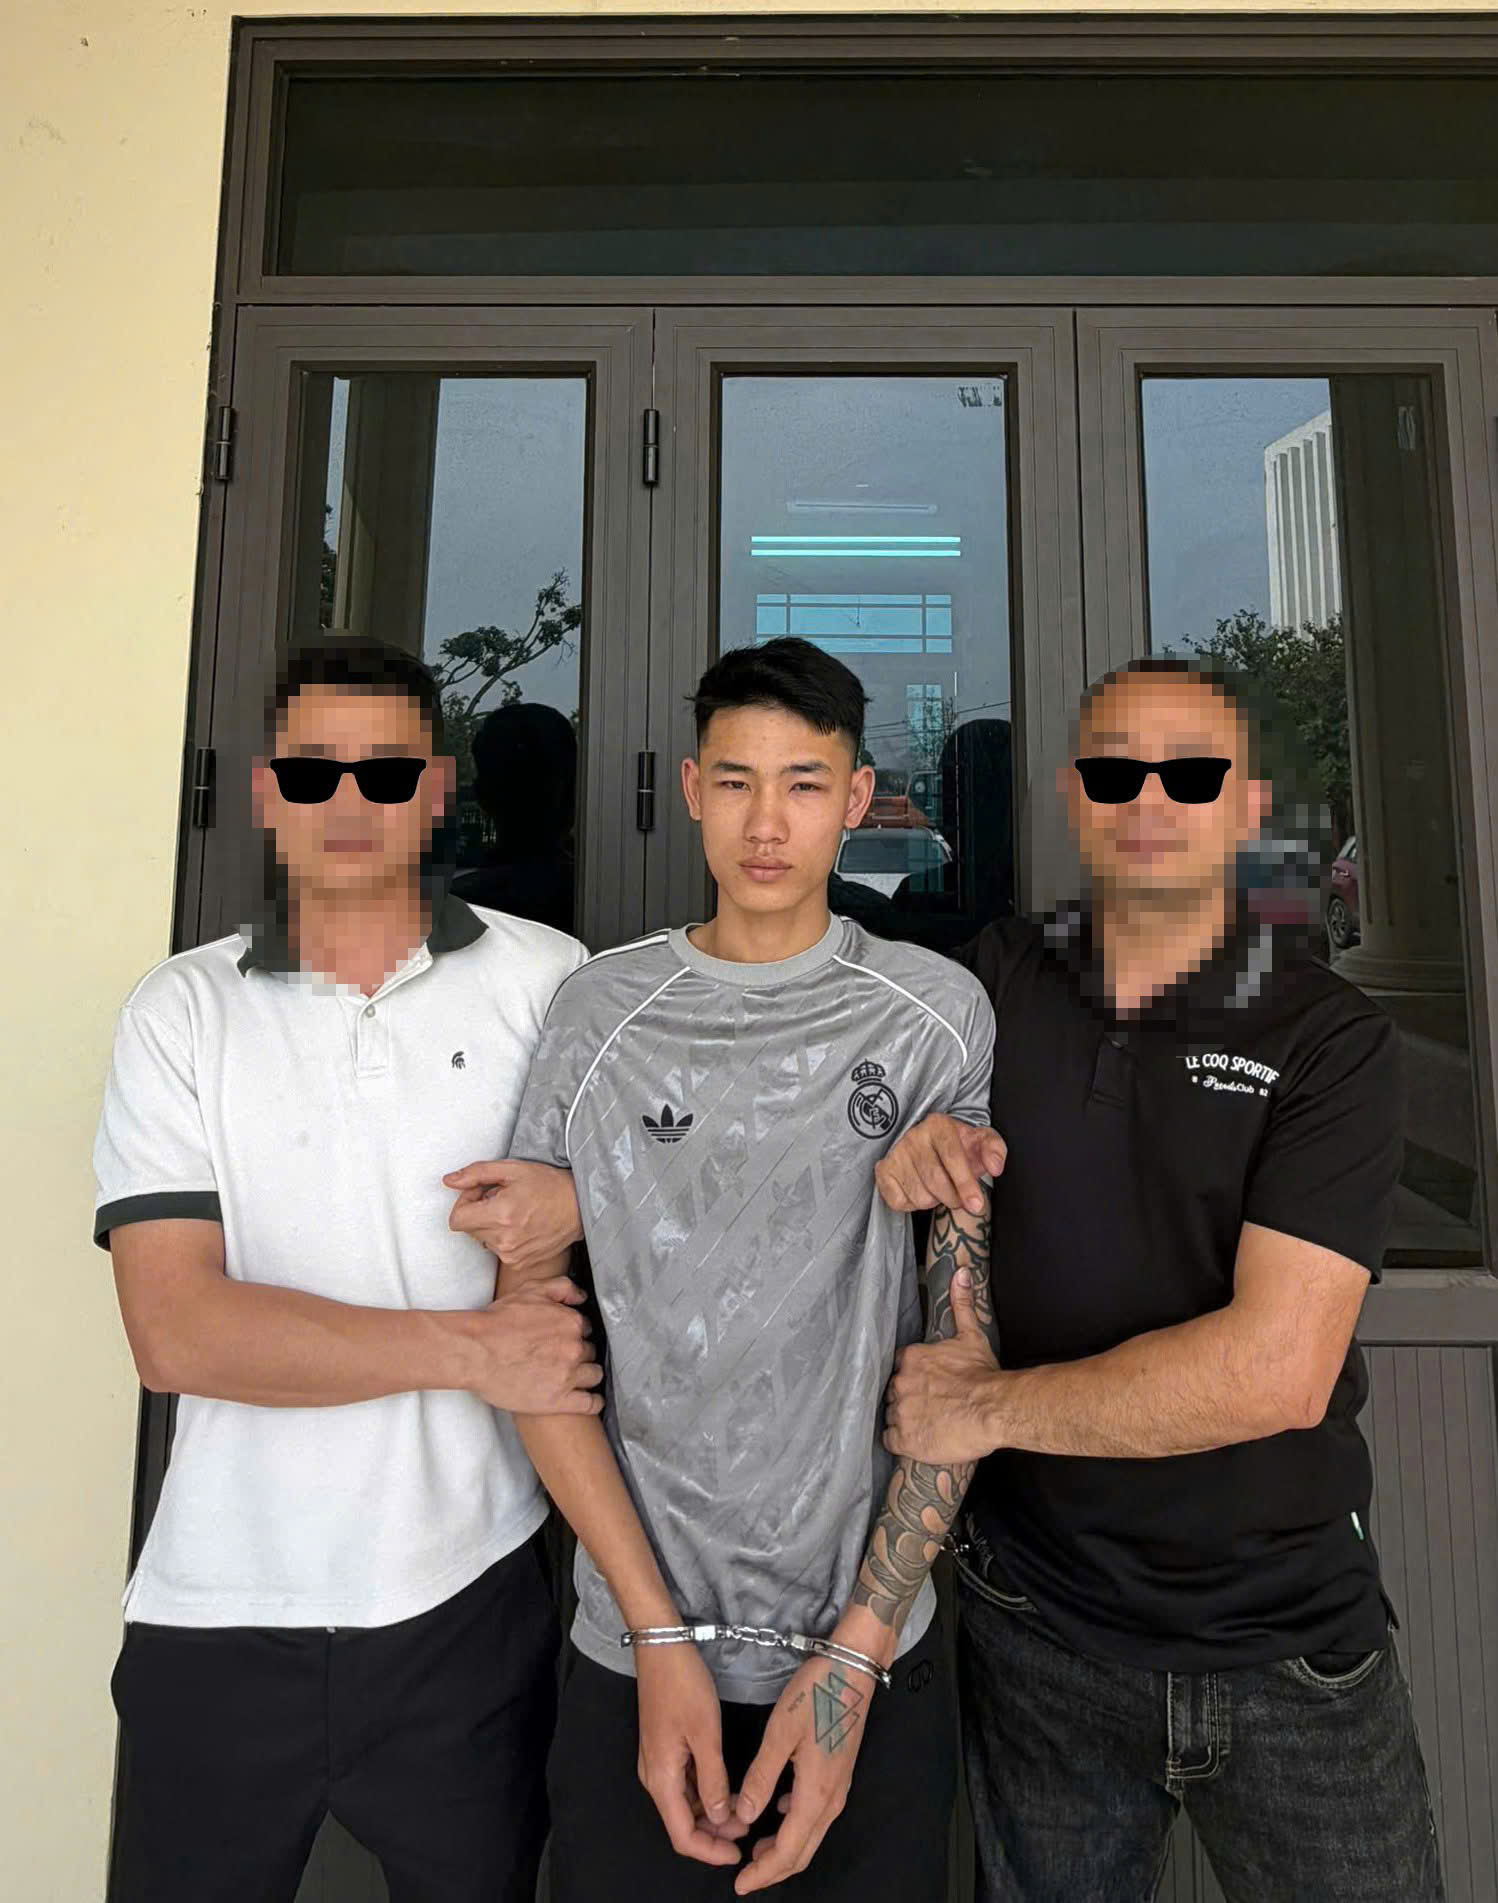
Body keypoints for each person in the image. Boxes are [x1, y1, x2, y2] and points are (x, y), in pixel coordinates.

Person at [876, 657, 1444, 1903]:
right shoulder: (990, 984)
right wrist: (911, 1145)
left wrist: (986, 1407)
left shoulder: (1326, 1036)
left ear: (1249, 807)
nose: (1147, 798)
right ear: (1071, 796)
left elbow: (1275, 1370)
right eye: (1112, 770)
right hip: (1038, 1628)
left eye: (1189, 773)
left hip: (1285, 1641)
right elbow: (829, 1080)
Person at [449, 637, 996, 1900]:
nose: (766, 822)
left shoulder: (932, 1015)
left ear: (857, 798)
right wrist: (652, 1633)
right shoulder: (600, 1009)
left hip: (868, 1650)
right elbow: (532, 1348)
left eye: (804, 783)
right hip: (631, 1646)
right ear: (692, 788)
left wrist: (856, 1653)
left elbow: (958, 1363)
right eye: (736, 781)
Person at [94, 639, 600, 1903]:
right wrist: (472, 1349)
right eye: (315, 774)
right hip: (219, 1604)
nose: (350, 802)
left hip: (470, 1592)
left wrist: (584, 1199)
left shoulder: (549, 980)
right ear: (266, 793)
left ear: (439, 789)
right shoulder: (181, 1011)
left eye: (386, 772)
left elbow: (664, 1209)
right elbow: (176, 1333)